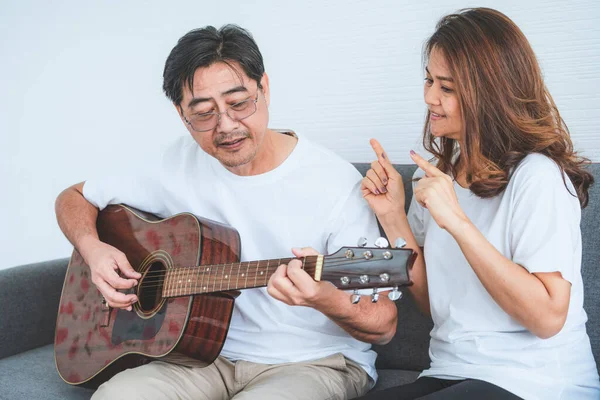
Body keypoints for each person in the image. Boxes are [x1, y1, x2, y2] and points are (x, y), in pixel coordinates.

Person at [55, 24, 397, 400]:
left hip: (312, 362)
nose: (227, 126)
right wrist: (93, 249)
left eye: (239, 103)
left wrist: (321, 297)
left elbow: (383, 324)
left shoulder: (334, 182)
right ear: (181, 114)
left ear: (263, 88)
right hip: (200, 360)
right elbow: (73, 197)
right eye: (203, 113)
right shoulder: (175, 163)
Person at [358, 7, 600, 400]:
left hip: (537, 384)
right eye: (429, 80)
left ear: (490, 93)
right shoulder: (433, 178)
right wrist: (392, 216)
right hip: (451, 372)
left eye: (447, 88)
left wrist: (457, 222)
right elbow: (432, 302)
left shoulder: (537, 177)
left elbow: (547, 317)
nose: (430, 97)